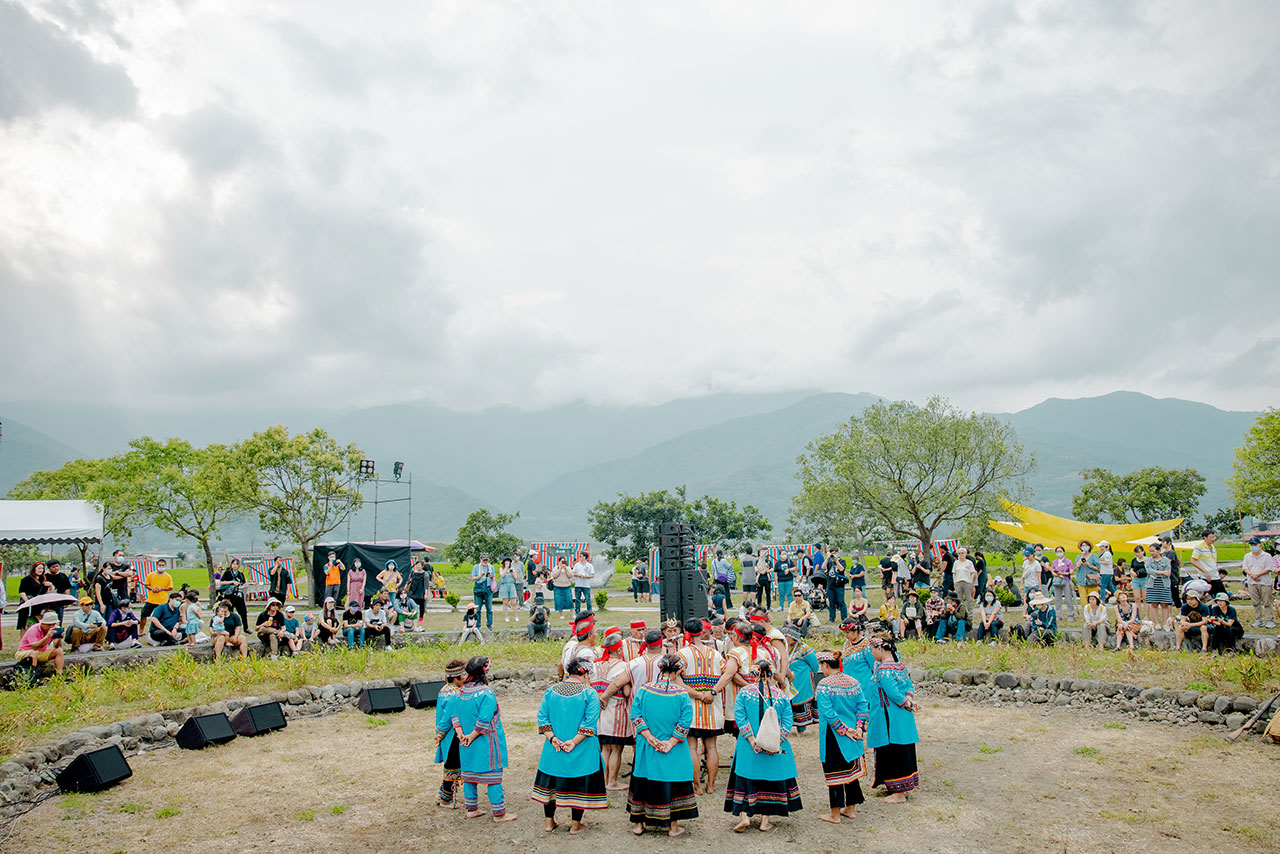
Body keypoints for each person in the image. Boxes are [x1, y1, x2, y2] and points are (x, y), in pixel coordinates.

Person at [724, 657, 802, 832]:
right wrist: (776, 741)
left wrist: (752, 740)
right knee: (770, 782)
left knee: (744, 779)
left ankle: (744, 816)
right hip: (774, 747)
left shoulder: (744, 693)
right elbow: (788, 720)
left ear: (753, 674)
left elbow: (741, 718)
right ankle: (765, 821)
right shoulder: (781, 695)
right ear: (771, 675)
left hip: (748, 747)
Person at [533, 651, 608, 833]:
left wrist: (553, 738)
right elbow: (589, 723)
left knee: (550, 785)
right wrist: (573, 742)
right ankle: (575, 824)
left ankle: (549, 822)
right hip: (581, 748)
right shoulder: (589, 694)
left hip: (554, 748)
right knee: (579, 785)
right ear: (585, 673)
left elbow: (542, 717)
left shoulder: (551, 691)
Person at [628, 653, 698, 837]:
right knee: (672, 783)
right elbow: (685, 721)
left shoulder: (644, 690)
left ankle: (638, 824)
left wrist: (649, 737)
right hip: (672, 748)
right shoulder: (682, 694)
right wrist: (671, 742)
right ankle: (673, 827)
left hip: (647, 746)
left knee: (643, 781)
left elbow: (635, 715)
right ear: (679, 670)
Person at [452, 656, 517, 822]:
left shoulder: (462, 692)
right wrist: (472, 736)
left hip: (465, 742)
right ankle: (499, 813)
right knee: (493, 777)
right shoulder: (486, 693)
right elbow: (484, 720)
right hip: (486, 742)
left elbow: (455, 715)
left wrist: (461, 735)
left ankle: (471, 809)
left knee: (469, 776)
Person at [815, 649, 869, 823]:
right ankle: (850, 809)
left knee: (835, 774)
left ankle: (835, 813)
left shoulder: (824, 685)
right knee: (851, 773)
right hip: (853, 734)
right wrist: (859, 728)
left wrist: (843, 730)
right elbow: (862, 705)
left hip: (834, 735)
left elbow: (828, 713)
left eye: (821, 665)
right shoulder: (853, 682)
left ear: (825, 665)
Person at [867, 634, 920, 803]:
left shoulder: (883, 671)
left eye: (872, 650)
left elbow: (893, 694)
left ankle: (899, 793)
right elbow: (908, 686)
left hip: (889, 717)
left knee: (894, 750)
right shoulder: (900, 666)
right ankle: (896, 787)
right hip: (900, 716)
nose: (872, 654)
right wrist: (909, 701)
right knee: (902, 749)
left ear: (879, 649)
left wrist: (907, 703)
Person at [592, 630, 635, 791]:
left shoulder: (596, 665)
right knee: (616, 748)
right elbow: (626, 692)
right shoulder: (623, 666)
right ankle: (612, 781)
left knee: (605, 748)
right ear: (618, 650)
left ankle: (602, 781)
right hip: (616, 710)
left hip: (599, 712)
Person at [434, 660, 466, 807]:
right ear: (456, 677)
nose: (466, 677)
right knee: (452, 765)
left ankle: (442, 793)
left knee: (450, 763)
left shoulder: (445, 689)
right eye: (463, 675)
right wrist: (440, 734)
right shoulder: (453, 694)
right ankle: (446, 799)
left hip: (448, 733)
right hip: (452, 734)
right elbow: (448, 718)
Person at [783, 624, 819, 734]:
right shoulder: (785, 649)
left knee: (801, 701)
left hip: (802, 681)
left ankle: (801, 728)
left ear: (793, 637)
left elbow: (815, 665)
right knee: (789, 702)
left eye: (787, 636)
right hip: (789, 681)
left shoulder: (805, 649)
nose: (786, 638)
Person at [1243, 536, 1276, 629]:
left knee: (1267, 602)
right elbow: (1245, 568)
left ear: (1259, 545)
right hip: (1252, 582)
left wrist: (1257, 575)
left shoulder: (1267, 556)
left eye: (1254, 545)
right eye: (1251, 545)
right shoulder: (1247, 556)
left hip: (1264, 582)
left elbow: (1269, 568)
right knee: (1255, 602)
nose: (1253, 546)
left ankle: (1269, 620)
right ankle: (1258, 620)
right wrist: (1252, 575)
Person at [840, 617, 876, 700]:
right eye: (844, 632)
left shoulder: (866, 646)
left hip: (864, 686)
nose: (846, 635)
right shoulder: (847, 644)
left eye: (847, 632)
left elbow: (873, 666)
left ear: (855, 631)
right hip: (848, 685)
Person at [1146, 541, 1174, 628]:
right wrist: (1161, 572)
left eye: (1153, 551)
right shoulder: (1149, 561)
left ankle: (1165, 623)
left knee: (1164, 603)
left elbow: (1168, 572)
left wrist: (1157, 573)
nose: (1152, 553)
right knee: (1154, 604)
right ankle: (1156, 622)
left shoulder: (1165, 560)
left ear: (1158, 551)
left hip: (1163, 584)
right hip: (1152, 584)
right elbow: (1149, 571)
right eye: (1150, 551)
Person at [17, 563, 53, 632]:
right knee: (24, 625)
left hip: (39, 605)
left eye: (42, 568)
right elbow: (22, 592)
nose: (41, 570)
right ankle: (24, 641)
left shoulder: (43, 579)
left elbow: (48, 592)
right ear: (34, 569)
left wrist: (50, 585)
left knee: (38, 623)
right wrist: (28, 602)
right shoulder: (26, 579)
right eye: (39, 568)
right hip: (27, 605)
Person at [140, 559, 174, 627]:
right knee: (144, 614)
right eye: (160, 565)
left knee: (163, 616)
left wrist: (161, 588)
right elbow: (146, 585)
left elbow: (170, 587)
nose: (161, 567)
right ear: (157, 565)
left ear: (165, 566)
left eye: (163, 565)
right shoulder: (151, 575)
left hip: (162, 600)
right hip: (151, 599)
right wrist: (152, 588)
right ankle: (141, 630)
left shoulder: (168, 576)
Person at [1075, 540, 1101, 614]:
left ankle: (1094, 613)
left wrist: (1089, 565)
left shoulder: (1094, 556)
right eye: (1083, 546)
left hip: (1092, 580)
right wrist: (1082, 556)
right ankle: (1086, 614)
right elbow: (1077, 565)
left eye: (1086, 545)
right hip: (1081, 580)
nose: (1084, 547)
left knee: (1093, 599)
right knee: (1083, 600)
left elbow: (1098, 568)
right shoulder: (1079, 556)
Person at [826, 555, 848, 623]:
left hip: (839, 585)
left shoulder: (842, 561)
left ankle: (844, 618)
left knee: (841, 602)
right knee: (831, 602)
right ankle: (831, 618)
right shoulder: (829, 562)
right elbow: (823, 567)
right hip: (830, 585)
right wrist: (827, 559)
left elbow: (841, 569)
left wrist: (836, 561)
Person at [497, 557, 520, 623]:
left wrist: (512, 573)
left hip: (511, 585)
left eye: (508, 562)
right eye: (506, 562)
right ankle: (506, 616)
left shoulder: (513, 569)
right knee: (505, 602)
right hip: (504, 585)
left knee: (514, 602)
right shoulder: (501, 569)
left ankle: (516, 616)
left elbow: (515, 578)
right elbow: (502, 575)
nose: (507, 563)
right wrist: (506, 568)